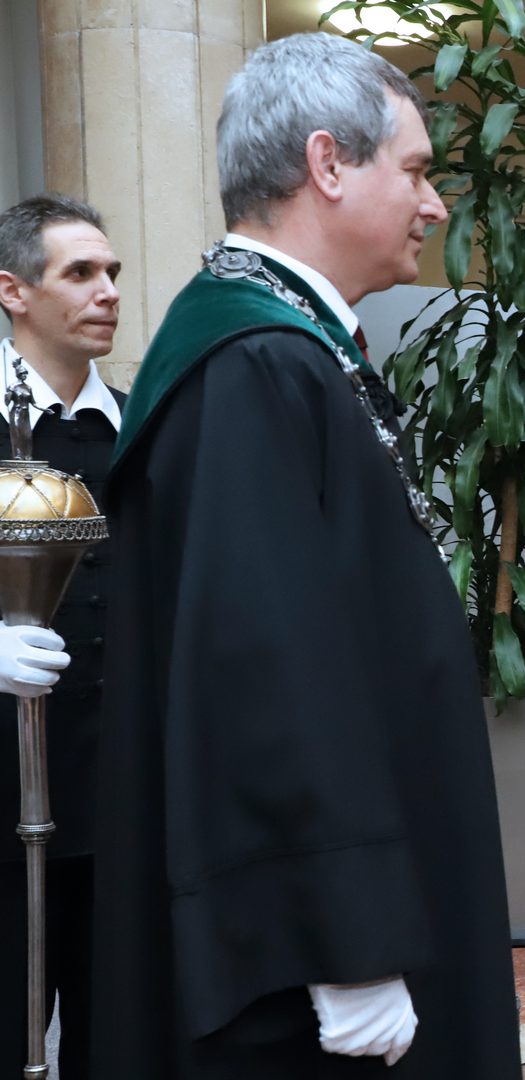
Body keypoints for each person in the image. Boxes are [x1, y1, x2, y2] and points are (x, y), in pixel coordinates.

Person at [91, 33, 520, 1078]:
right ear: (328, 164)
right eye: (415, 170)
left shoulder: (292, 351)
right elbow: (267, 669)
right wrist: (343, 940)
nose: (435, 205)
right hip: (312, 975)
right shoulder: (253, 363)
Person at [0, 193, 124, 1079]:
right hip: (3, 792)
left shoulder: (142, 424)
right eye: (80, 273)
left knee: (113, 1037)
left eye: (112, 272)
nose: (107, 291)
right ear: (14, 290)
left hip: (119, 791)